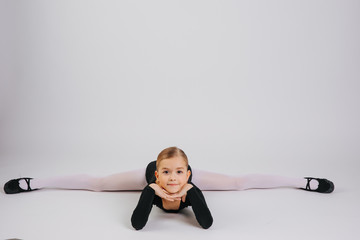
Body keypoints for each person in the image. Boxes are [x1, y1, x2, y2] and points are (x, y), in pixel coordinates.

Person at [3, 146, 334, 230]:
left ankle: (303, 182)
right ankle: (35, 183)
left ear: (187, 172)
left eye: (178, 173)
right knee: (99, 185)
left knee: (238, 183)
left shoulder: (191, 183)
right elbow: (136, 224)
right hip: (147, 179)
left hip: (187, 177)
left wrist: (189, 188)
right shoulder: (153, 181)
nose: (173, 179)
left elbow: (206, 224)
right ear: (159, 173)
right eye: (167, 173)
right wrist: (152, 190)